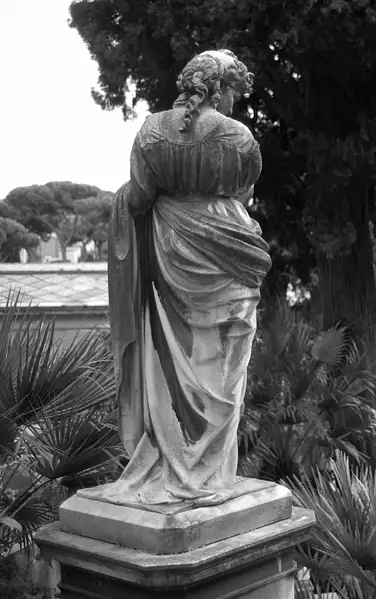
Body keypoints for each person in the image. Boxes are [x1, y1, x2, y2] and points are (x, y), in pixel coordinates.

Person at [99, 50, 271, 506]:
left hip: (170, 252)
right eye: (234, 92)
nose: (235, 102)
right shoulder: (239, 137)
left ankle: (173, 457)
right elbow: (244, 192)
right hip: (231, 255)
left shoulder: (151, 131)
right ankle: (211, 473)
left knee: (171, 360)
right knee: (225, 369)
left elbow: (139, 197)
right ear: (220, 88)